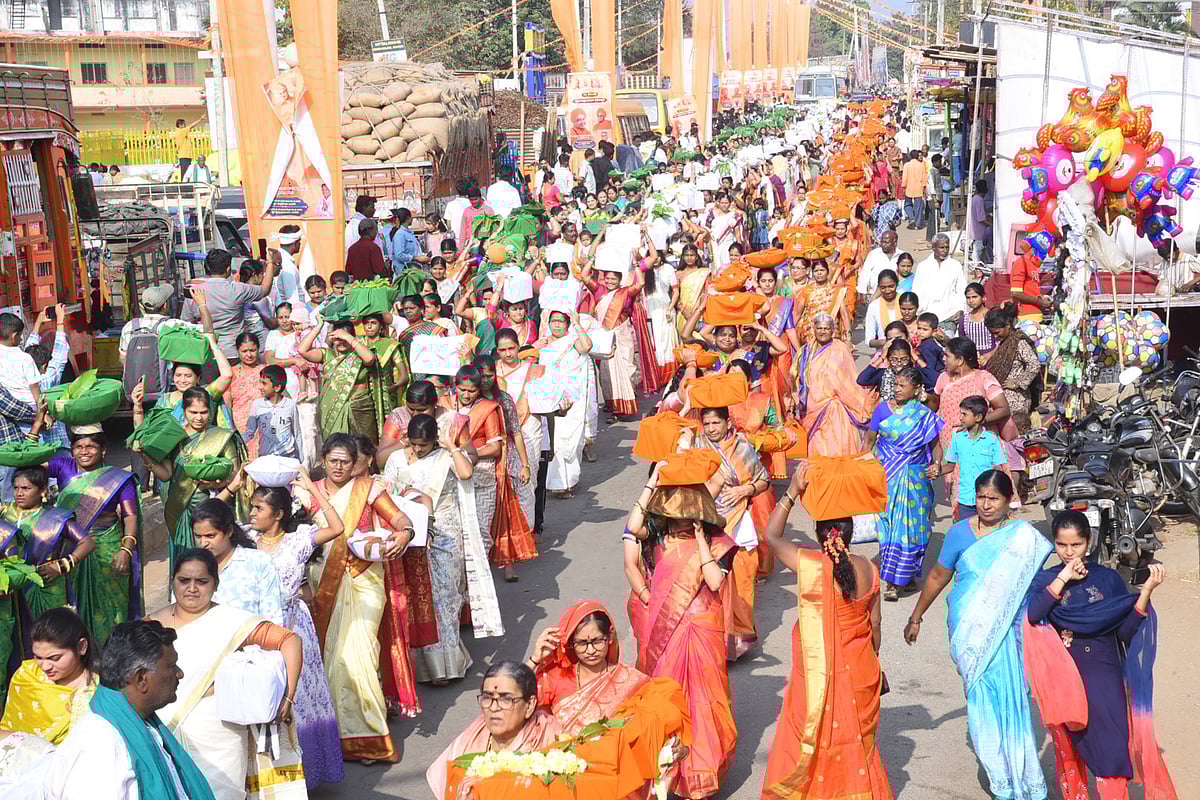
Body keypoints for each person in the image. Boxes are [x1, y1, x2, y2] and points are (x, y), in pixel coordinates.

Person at [904, 470, 1051, 800]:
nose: (986, 505)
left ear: (1008, 499)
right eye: (981, 497)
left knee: (1013, 703)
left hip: (1011, 636)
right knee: (982, 704)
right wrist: (916, 616)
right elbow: (938, 578)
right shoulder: (958, 534)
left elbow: (1038, 589)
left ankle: (1022, 778)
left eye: (993, 498)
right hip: (970, 635)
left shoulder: (1023, 538)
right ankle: (1000, 778)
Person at [1026, 512, 1176, 800]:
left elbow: (1124, 634)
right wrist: (1063, 577)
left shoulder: (1107, 579)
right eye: (1062, 545)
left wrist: (1144, 593)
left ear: (1089, 542)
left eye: (1076, 545)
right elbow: (1034, 614)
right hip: (1065, 679)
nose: (1069, 552)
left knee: (1112, 753)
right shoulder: (1046, 579)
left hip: (1104, 676)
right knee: (1071, 752)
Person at [760, 471, 892, 800]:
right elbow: (875, 627)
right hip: (862, 670)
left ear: (820, 536)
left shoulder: (812, 565)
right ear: (850, 533)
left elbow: (772, 537)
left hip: (819, 675)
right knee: (857, 745)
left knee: (816, 739)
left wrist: (791, 492)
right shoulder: (870, 570)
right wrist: (872, 667)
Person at [146, 550, 304, 800]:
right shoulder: (151, 624)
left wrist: (288, 697)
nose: (192, 589)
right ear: (172, 581)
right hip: (163, 726)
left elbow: (289, 640)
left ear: (216, 584)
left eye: (202, 581)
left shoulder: (232, 622)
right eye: (184, 580)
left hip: (219, 732)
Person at [624, 472, 736, 800]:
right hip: (667, 631)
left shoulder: (721, 544)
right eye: (674, 516)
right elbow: (633, 527)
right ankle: (667, 773)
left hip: (702, 631)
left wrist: (701, 541)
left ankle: (700, 778)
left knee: (705, 701)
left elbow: (715, 582)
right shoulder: (659, 540)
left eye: (688, 516)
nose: (679, 522)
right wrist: (652, 482)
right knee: (669, 700)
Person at [304, 435, 417, 761]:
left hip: (365, 579)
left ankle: (368, 739)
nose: (339, 467)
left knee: (361, 655)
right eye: (333, 460)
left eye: (345, 461)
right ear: (324, 459)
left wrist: (404, 533)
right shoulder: (307, 493)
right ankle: (333, 738)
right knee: (330, 660)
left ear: (356, 463)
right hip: (322, 583)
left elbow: (398, 518)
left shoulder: (368, 489)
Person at [36, 618, 216, 800]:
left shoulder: (143, 725)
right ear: (141, 679)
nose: (180, 673)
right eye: (171, 667)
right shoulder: (102, 745)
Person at [243, 481, 346, 789]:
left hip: (293, 627)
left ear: (279, 514)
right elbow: (213, 522)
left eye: (259, 508)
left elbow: (337, 527)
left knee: (299, 698)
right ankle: (270, 777)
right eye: (251, 506)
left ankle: (308, 774)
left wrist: (310, 486)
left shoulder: (297, 541)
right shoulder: (247, 540)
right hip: (257, 631)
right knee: (266, 697)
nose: (252, 513)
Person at [382, 413, 486, 683]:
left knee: (446, 597)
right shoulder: (396, 460)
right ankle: (428, 668)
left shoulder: (444, 458)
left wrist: (451, 446)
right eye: (414, 444)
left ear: (434, 442)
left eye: (424, 445)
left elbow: (466, 472)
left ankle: (449, 665)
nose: (418, 450)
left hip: (444, 533)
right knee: (420, 598)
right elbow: (389, 494)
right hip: (414, 535)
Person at [35, 424, 141, 647]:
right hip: (70, 547)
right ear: (71, 450)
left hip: (108, 547)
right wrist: (36, 426)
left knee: (111, 607)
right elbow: (30, 464)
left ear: (103, 450)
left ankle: (112, 653)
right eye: (78, 446)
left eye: (91, 446)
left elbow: (130, 516)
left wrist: (126, 549)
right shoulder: (64, 466)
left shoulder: (118, 479)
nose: (84, 451)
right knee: (73, 605)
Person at [135, 386, 246, 570]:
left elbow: (235, 475)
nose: (198, 417)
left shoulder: (221, 437)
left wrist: (220, 482)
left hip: (212, 511)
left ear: (210, 412)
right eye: (193, 412)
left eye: (203, 412)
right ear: (184, 411)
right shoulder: (175, 437)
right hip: (179, 511)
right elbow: (167, 474)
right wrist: (147, 458)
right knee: (185, 564)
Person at [690, 406, 769, 660]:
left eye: (716, 423)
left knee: (742, 584)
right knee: (712, 586)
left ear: (727, 423)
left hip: (739, 523)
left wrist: (745, 491)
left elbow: (763, 480)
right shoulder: (696, 447)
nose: (712, 428)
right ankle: (714, 640)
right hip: (707, 524)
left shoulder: (743, 447)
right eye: (707, 423)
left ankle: (738, 639)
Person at [426, 661, 563, 800]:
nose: (493, 707)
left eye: (506, 699)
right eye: (487, 697)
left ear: (529, 705)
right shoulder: (471, 738)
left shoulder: (551, 740)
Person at [864, 368, 944, 601]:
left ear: (916, 389)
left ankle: (905, 576)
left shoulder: (924, 415)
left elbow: (935, 444)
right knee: (890, 527)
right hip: (887, 476)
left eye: (902, 386)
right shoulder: (882, 410)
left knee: (914, 529)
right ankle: (892, 581)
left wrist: (937, 464)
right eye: (896, 385)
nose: (897, 389)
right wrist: (861, 467)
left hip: (916, 480)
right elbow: (869, 440)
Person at [451, 365, 536, 582]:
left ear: (478, 389)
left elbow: (495, 447)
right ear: (455, 387)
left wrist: (463, 453)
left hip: (484, 476)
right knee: (457, 532)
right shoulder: (447, 407)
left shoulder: (490, 408)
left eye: (471, 390)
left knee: (480, 531)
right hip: (453, 476)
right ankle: (464, 575)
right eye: (462, 389)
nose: (466, 394)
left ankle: (479, 575)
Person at [526, 601, 650, 736]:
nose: (590, 650)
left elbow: (651, 721)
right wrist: (534, 660)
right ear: (571, 642)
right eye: (582, 643)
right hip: (558, 755)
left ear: (610, 636)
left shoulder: (630, 679)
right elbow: (514, 704)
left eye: (597, 641)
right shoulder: (555, 676)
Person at [929, 338, 1013, 517]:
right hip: (955, 447)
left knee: (988, 501)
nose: (943, 359)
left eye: (947, 356)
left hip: (981, 446)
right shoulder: (944, 378)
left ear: (960, 360)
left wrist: (978, 421)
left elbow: (1003, 409)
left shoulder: (983, 378)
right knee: (961, 503)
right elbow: (936, 409)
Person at [0, 609, 99, 745]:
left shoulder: (93, 692)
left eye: (54, 658)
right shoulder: (27, 675)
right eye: (38, 657)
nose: (45, 666)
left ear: (81, 647)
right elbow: (7, 729)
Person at [795, 313, 875, 457]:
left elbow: (849, 378)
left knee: (838, 448)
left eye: (826, 328)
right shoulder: (805, 351)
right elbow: (795, 377)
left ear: (833, 330)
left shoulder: (841, 349)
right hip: (813, 408)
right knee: (817, 448)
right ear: (814, 329)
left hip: (836, 408)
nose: (823, 331)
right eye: (819, 328)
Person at [180, 249, 278, 360]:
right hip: (233, 353)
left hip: (206, 353)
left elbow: (186, 323)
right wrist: (270, 263)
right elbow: (265, 290)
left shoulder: (193, 292)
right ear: (228, 269)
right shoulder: (237, 289)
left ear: (207, 268)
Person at [538, 311, 594, 498]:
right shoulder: (544, 343)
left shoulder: (572, 341)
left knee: (571, 440)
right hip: (550, 399)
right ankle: (555, 483)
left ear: (567, 324)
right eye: (553, 321)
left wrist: (577, 324)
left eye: (561, 321)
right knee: (554, 440)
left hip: (572, 400)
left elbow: (587, 346)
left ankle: (569, 481)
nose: (556, 325)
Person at [297, 319, 382, 440]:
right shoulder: (327, 354)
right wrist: (319, 326)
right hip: (332, 408)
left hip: (360, 407)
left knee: (363, 447)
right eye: (337, 339)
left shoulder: (359, 354)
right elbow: (302, 350)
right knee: (336, 445)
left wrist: (349, 337)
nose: (341, 342)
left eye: (344, 339)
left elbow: (369, 359)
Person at [942, 395, 1009, 520]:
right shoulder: (957, 439)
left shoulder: (992, 440)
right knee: (969, 533)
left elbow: (998, 469)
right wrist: (936, 470)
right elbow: (950, 466)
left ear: (978, 417)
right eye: (960, 413)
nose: (960, 418)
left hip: (987, 499)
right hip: (965, 500)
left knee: (986, 534)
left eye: (964, 414)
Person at [984, 305, 1042, 434]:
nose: (995, 337)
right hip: (1002, 399)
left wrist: (1017, 383)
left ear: (1008, 325)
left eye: (997, 333)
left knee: (1014, 438)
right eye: (992, 334)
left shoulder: (1018, 342)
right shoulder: (1005, 342)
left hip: (1016, 399)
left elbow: (1034, 364)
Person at [117, 283, 203, 363]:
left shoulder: (129, 326)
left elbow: (123, 358)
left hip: (135, 378)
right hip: (162, 378)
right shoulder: (172, 325)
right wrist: (202, 305)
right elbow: (208, 331)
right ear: (165, 305)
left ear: (142, 306)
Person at [242, 364, 303, 461]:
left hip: (288, 458)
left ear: (277, 387)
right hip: (265, 459)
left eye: (264, 383)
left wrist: (300, 461)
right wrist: (236, 443)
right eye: (260, 382)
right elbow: (249, 432)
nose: (260, 387)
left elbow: (297, 433)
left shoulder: (290, 405)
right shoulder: (257, 405)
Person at [911, 234, 967, 337]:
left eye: (947, 247)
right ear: (933, 247)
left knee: (948, 346)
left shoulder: (955, 266)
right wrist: (918, 313)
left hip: (949, 316)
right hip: (928, 316)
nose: (945, 250)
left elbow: (961, 290)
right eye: (942, 247)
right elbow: (917, 291)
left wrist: (961, 309)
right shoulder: (923, 266)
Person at [225, 332, 264, 459]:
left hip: (263, 425)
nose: (249, 354)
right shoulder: (231, 373)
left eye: (252, 350)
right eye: (244, 351)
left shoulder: (265, 370)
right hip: (240, 426)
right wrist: (230, 427)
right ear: (237, 351)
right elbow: (227, 403)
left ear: (258, 349)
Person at [793, 259, 850, 342]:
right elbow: (797, 314)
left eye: (822, 270)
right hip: (810, 334)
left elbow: (844, 314)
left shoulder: (836, 291)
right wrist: (790, 333)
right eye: (816, 271)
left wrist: (848, 334)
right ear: (813, 273)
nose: (819, 273)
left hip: (831, 333)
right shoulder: (807, 290)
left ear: (827, 272)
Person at [857, 229, 900, 305]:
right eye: (882, 241)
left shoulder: (901, 255)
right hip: (874, 296)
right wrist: (862, 291)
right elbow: (865, 272)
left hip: (894, 295)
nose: (883, 244)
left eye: (886, 242)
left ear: (894, 243)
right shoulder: (874, 254)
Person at [863, 269, 902, 348]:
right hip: (882, 352)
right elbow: (868, 341)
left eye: (891, 286)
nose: (887, 291)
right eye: (883, 287)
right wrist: (884, 342)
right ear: (878, 287)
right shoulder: (874, 306)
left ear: (897, 284)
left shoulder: (905, 301)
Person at [957, 282, 996, 360]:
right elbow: (962, 342)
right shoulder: (964, 319)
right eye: (968, 298)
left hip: (991, 358)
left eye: (975, 297)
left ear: (983, 297)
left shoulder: (991, 316)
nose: (971, 301)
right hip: (971, 360)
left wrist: (990, 354)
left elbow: (1000, 341)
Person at [900, 148, 928, 228]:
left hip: (909, 187)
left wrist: (903, 186)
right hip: (919, 188)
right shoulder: (921, 165)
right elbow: (924, 177)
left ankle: (911, 217)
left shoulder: (907, 165)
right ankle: (918, 224)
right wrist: (924, 187)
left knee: (907, 205)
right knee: (918, 207)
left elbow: (904, 178)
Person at [968, 179, 993, 264]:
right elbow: (981, 218)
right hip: (979, 232)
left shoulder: (975, 199)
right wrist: (992, 225)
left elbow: (983, 212)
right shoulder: (979, 200)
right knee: (978, 253)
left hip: (975, 231)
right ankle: (976, 269)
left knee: (977, 252)